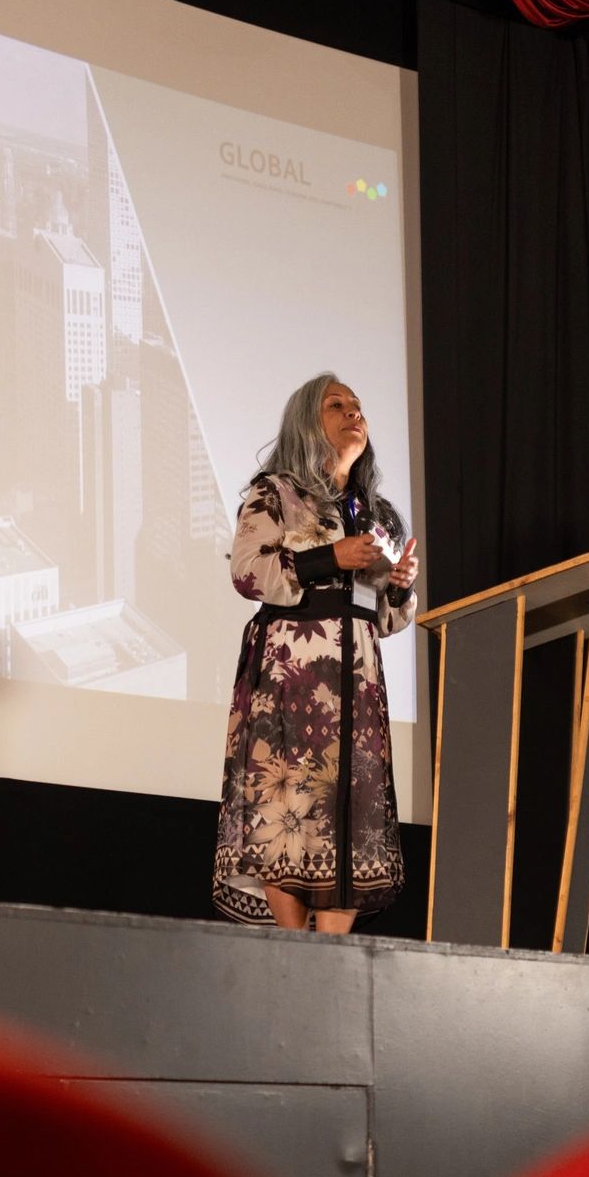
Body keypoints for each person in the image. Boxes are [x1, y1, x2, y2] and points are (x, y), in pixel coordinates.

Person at [213, 373, 420, 934]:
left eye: (357, 405)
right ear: (309, 422)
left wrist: (398, 585)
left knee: (353, 817)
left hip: (357, 681)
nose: (354, 411)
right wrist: (331, 557)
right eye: (337, 405)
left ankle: (327, 961)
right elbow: (247, 571)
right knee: (291, 811)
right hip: (292, 680)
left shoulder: (377, 516)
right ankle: (294, 953)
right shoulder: (275, 492)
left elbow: (389, 617)